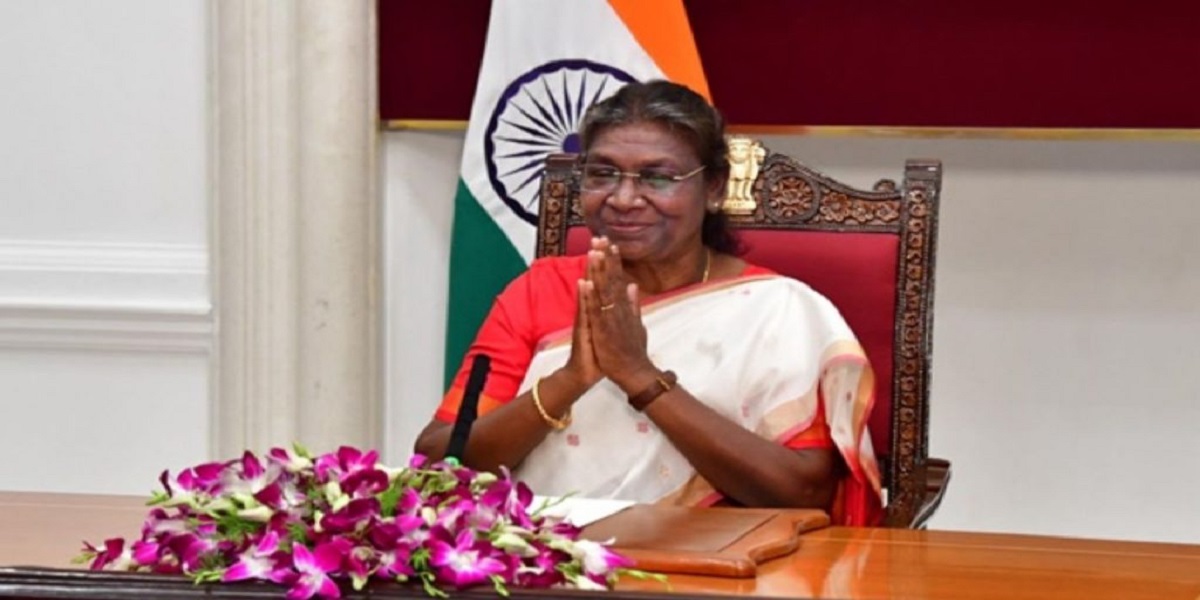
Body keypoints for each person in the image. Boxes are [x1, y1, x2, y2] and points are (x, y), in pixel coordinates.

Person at [415, 80, 882, 525]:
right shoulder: (539, 291)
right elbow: (440, 463)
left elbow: (802, 492)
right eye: (602, 174)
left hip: (718, 560)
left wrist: (640, 376)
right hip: (549, 554)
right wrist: (569, 381)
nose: (623, 199)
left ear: (715, 187)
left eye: (657, 177)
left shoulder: (778, 309)